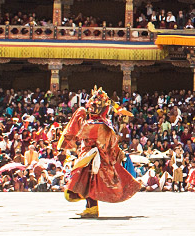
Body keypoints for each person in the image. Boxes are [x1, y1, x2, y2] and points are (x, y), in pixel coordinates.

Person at [59, 88, 142, 218]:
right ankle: (91, 208)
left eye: (94, 106)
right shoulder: (102, 123)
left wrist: (79, 115)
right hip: (91, 158)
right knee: (88, 183)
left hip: (95, 159)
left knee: (88, 184)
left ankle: (91, 208)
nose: (91, 109)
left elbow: (81, 133)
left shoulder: (98, 124)